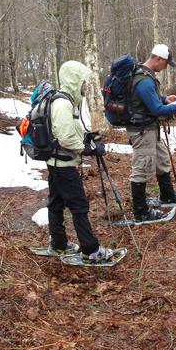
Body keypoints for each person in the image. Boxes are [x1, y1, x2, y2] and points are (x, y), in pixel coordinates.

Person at [46, 60, 113, 263]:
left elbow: (69, 130)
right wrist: (85, 149)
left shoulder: (67, 101)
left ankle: (58, 244)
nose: (85, 84)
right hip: (64, 163)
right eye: (82, 80)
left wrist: (87, 137)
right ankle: (90, 250)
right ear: (74, 79)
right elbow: (65, 137)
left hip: (58, 162)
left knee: (56, 203)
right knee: (79, 205)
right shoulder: (63, 103)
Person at [126, 44, 176, 223]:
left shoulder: (147, 76)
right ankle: (140, 212)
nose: (166, 67)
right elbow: (157, 110)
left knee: (162, 160)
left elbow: (150, 101)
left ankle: (167, 196)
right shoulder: (143, 80)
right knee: (142, 168)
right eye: (166, 63)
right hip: (142, 131)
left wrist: (166, 98)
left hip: (151, 129)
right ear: (158, 59)